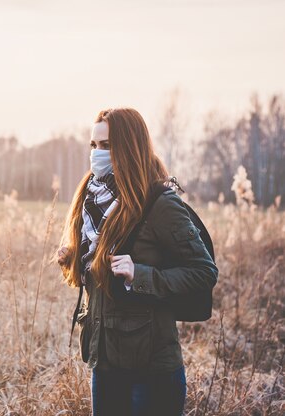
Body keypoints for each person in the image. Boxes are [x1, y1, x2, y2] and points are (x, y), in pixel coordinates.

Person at [55, 108, 218, 416]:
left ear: (128, 147)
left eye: (106, 146)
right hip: (104, 365)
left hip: (152, 372)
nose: (97, 154)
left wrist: (139, 274)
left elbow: (203, 271)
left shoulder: (159, 204)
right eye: (94, 145)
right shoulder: (91, 202)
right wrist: (73, 260)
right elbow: (96, 280)